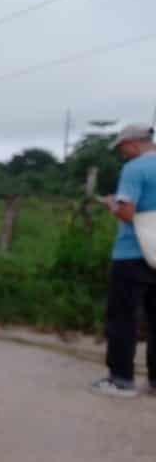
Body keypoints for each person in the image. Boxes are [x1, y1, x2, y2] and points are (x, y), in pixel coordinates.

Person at [93, 124, 156, 399]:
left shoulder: (134, 169)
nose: (122, 153)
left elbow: (128, 211)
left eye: (122, 147)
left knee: (122, 317)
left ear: (132, 143)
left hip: (132, 252)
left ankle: (121, 379)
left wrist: (111, 205)